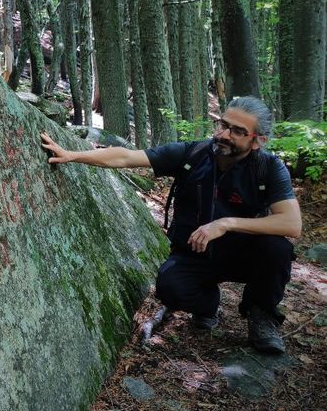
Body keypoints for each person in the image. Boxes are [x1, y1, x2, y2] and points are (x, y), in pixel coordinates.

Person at [40, 96, 301, 354]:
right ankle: (207, 304)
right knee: (170, 288)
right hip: (195, 251)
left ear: (258, 141)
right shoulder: (194, 154)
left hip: (243, 254)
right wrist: (72, 155)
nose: (223, 134)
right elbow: (127, 157)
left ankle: (262, 315)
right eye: (223, 125)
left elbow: (291, 223)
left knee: (275, 248)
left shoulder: (268, 168)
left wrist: (225, 223)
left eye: (237, 131)